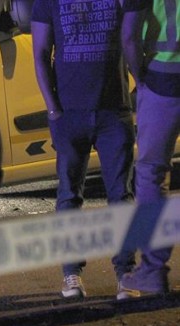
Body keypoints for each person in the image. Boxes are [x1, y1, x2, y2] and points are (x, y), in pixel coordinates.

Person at [31, 0, 142, 300]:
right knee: (69, 195)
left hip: (113, 112)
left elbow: (131, 37)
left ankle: (126, 272)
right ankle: (71, 274)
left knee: (121, 195)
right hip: (70, 114)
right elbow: (40, 54)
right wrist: (53, 110)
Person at [120, 0, 180, 295]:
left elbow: (129, 35)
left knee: (151, 174)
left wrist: (140, 76)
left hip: (163, 77)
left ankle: (153, 271)